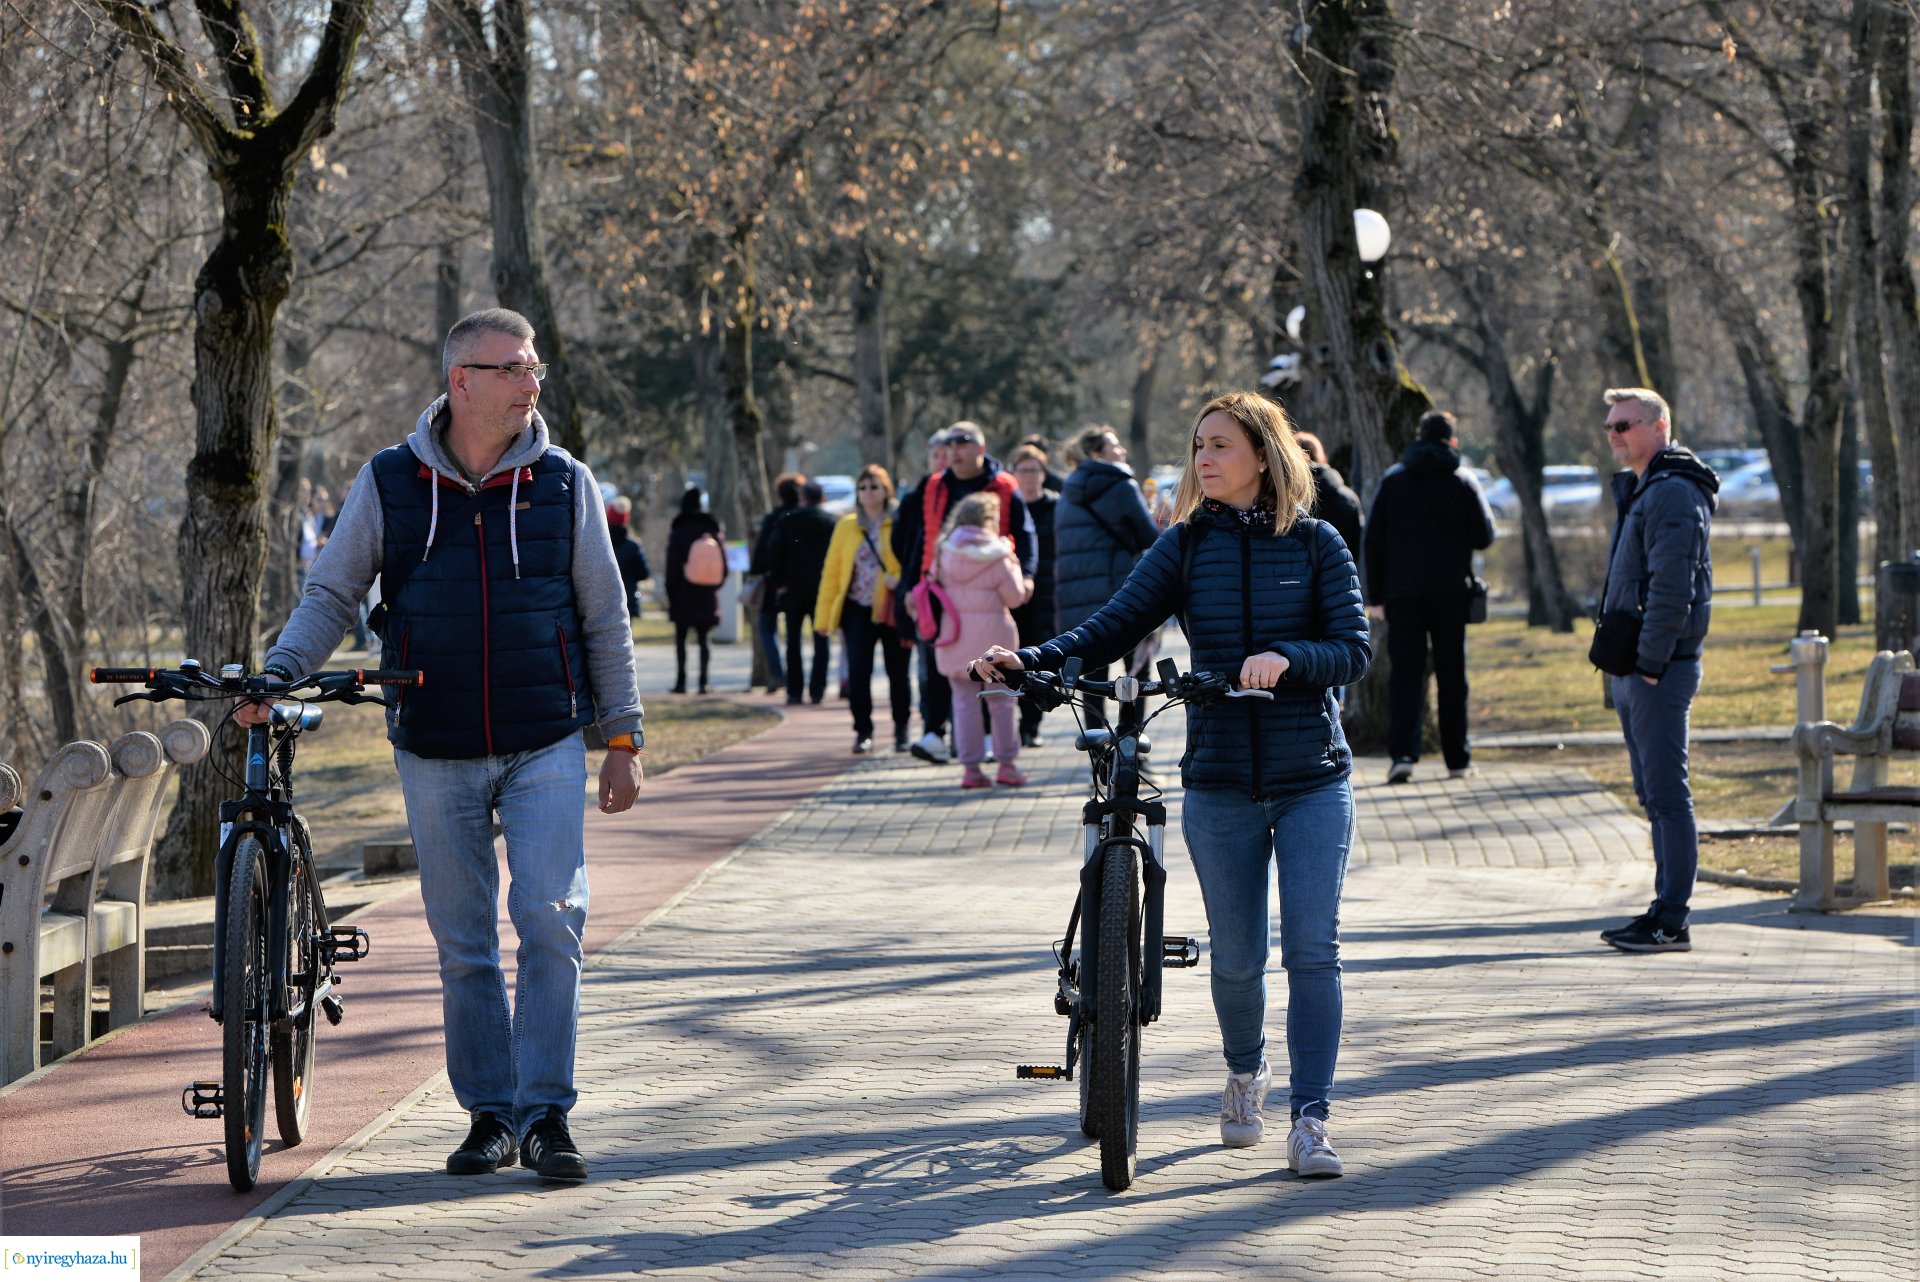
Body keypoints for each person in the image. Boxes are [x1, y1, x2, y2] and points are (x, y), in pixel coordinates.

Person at [240, 308, 643, 1182]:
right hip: (435, 744)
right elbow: (332, 593)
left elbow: (605, 617)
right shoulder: (389, 481)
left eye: (534, 366)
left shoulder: (565, 483)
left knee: (550, 919)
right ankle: (489, 1115)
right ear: (462, 382)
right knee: (463, 943)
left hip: (545, 739)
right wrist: (279, 674)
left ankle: (547, 1118)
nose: (532, 382)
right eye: (513, 369)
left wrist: (623, 736)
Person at [971, 390, 1370, 1178]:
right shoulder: (1185, 545)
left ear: (1264, 454)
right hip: (1220, 778)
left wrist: (1290, 658)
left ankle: (1312, 1119)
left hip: (1311, 778)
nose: (1205, 459)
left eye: (1220, 445)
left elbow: (1353, 648)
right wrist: (1036, 660)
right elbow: (1113, 626)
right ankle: (1245, 1074)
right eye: (1198, 446)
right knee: (1236, 961)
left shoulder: (1320, 543)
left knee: (1314, 951)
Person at [1595, 387, 1718, 954]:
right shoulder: (1643, 489)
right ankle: (1662, 909)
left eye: (1625, 424)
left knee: (1668, 795)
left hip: (1657, 671)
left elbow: (1674, 586)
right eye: (1611, 426)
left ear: (1660, 426)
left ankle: (1673, 919)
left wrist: (1648, 664)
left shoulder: (1672, 494)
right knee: (1653, 793)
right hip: (1633, 669)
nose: (1615, 434)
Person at [1363, 410, 1496, 784]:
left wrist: (1376, 594)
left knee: (1405, 674)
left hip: (1402, 596)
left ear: (1418, 437)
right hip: (1451, 593)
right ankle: (1458, 758)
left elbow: (1373, 538)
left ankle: (1403, 754)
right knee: (1453, 675)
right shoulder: (1463, 479)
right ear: (1452, 441)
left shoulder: (1394, 480)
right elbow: (1484, 535)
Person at [1054, 425, 1161, 735]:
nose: (1123, 451)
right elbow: (1149, 538)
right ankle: (1130, 749)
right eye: (1115, 446)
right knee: (1135, 674)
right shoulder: (1120, 485)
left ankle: (1097, 751)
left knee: (1091, 676)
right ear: (1099, 454)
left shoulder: (1069, 490)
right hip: (1122, 596)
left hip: (1078, 601)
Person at [814, 465, 910, 754]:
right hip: (856, 608)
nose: (868, 493)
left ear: (886, 491)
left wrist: (900, 580)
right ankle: (863, 731)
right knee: (858, 672)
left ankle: (902, 731)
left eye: (874, 487)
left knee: (898, 672)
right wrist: (823, 616)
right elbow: (832, 571)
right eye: (863, 487)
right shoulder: (846, 525)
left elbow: (912, 559)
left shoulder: (899, 521)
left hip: (891, 607)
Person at [935, 493, 1028, 788]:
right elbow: (1015, 597)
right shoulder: (998, 554)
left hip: (955, 634)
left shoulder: (944, 551)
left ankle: (971, 769)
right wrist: (1026, 583)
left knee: (963, 703)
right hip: (994, 639)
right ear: (988, 520)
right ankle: (1007, 765)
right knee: (1002, 701)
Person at [892, 430, 955, 762]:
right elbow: (903, 545)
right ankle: (934, 731)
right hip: (925, 594)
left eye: (949, 454)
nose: (943, 460)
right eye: (937, 455)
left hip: (962, 595)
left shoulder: (962, 492)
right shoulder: (917, 498)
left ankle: (966, 734)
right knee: (928, 667)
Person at [1008, 444, 1058, 747]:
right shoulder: (1009, 507)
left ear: (1043, 473)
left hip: (1045, 595)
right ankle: (1008, 722)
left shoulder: (1056, 506)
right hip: (1011, 595)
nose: (1028, 476)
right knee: (1009, 656)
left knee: (1035, 659)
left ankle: (1031, 724)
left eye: (1034, 469)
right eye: (1023, 470)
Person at [769, 480, 837, 705]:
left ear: (803, 498)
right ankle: (818, 689)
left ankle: (794, 690)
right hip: (821, 589)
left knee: (793, 640)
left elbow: (775, 551)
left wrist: (780, 582)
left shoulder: (789, 521)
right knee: (821, 639)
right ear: (823, 498)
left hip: (793, 588)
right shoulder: (831, 523)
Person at [749, 473, 805, 694]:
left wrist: (758, 571)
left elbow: (763, 549)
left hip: (773, 582)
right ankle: (794, 677)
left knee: (767, 628)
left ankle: (777, 673)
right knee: (794, 633)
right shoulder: (803, 517)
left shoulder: (773, 518)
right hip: (797, 583)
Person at [664, 486, 723, 694]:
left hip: (682, 592)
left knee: (681, 639)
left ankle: (681, 682)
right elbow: (723, 564)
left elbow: (671, 566)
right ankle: (704, 682)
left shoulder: (679, 530)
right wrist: (715, 585)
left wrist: (671, 592)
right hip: (707, 592)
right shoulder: (712, 529)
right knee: (704, 639)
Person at [1291, 431, 1364, 560]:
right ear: (1321, 456)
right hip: (1340, 572)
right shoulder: (1349, 499)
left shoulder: (1286, 499)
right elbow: (1356, 549)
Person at [606, 496, 652, 620]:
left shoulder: (601, 544)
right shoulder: (633, 546)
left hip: (604, 601)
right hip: (627, 600)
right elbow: (644, 573)